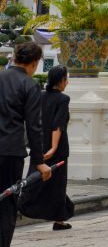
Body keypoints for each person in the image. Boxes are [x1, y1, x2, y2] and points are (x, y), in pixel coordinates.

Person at [0, 42, 51, 247]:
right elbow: (34, 126)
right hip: (10, 151)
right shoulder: (29, 85)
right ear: (34, 63)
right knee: (7, 204)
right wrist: (39, 161)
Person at [19, 66, 74, 231]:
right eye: (66, 78)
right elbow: (58, 125)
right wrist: (54, 147)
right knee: (57, 184)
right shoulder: (63, 99)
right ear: (61, 80)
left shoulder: (40, 95)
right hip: (56, 147)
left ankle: (25, 203)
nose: (67, 82)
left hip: (39, 144)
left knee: (34, 178)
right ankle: (58, 219)